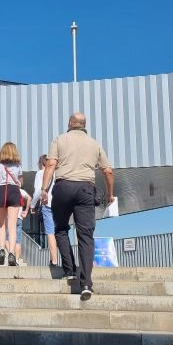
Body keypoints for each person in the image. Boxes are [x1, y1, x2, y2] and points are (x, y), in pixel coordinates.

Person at [41, 112, 114, 300]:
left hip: (63, 187)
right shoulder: (94, 144)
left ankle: (70, 271)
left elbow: (50, 165)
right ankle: (86, 283)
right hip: (85, 189)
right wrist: (110, 194)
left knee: (61, 229)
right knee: (85, 236)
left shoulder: (59, 139)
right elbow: (107, 171)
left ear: (69, 123)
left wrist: (44, 189)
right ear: (84, 125)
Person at [0, 142, 23, 266]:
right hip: (14, 191)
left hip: (0, 191)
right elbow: (21, 182)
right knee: (12, 225)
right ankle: (12, 253)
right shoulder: (18, 166)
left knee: (2, 225)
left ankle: (2, 249)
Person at [31, 155, 58, 266]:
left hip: (47, 204)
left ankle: (54, 259)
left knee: (50, 232)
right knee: (60, 232)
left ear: (41, 163)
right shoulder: (56, 173)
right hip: (58, 204)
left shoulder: (40, 173)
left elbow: (38, 191)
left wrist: (32, 205)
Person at [6, 188, 31, 264]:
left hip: (9, 218)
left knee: (6, 239)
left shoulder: (8, 189)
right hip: (19, 218)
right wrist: (26, 211)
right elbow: (29, 198)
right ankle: (16, 260)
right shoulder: (20, 191)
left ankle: (11, 254)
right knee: (18, 240)